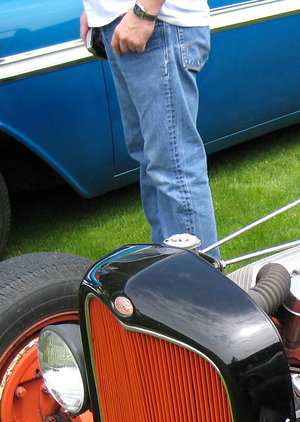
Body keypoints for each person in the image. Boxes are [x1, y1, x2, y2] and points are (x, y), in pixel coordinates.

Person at [80, 1, 218, 250]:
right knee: (153, 163)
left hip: (153, 22)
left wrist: (145, 9)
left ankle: (202, 286)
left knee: (175, 167)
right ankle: (170, 277)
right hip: (127, 21)